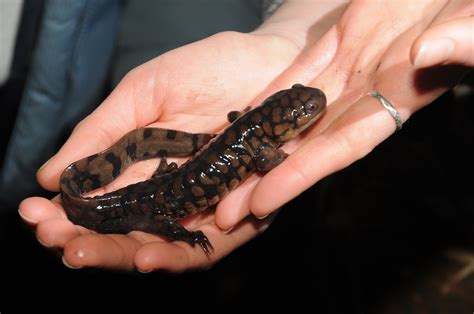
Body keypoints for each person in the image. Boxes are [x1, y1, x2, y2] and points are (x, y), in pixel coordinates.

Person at [18, 0, 473, 272]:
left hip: (157, 187)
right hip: (157, 204)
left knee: (157, 190)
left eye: (304, 106)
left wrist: (295, 32)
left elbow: (246, 128)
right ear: (283, 123)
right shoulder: (258, 139)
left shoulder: (250, 126)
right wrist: (181, 231)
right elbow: (263, 155)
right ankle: (107, 204)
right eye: (302, 108)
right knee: (159, 213)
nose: (310, 109)